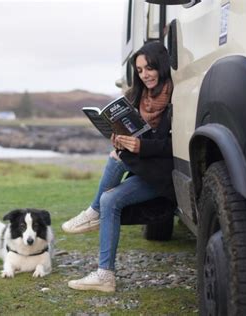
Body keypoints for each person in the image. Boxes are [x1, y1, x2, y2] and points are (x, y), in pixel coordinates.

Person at [62, 41, 175, 292]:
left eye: (150, 68)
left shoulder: (176, 96)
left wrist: (139, 147)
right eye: (140, 70)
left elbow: (175, 146)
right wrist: (119, 135)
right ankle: (105, 276)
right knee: (110, 198)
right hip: (144, 169)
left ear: (162, 66)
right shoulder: (139, 96)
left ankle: (92, 213)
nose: (145, 75)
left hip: (163, 174)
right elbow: (137, 137)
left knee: (118, 158)